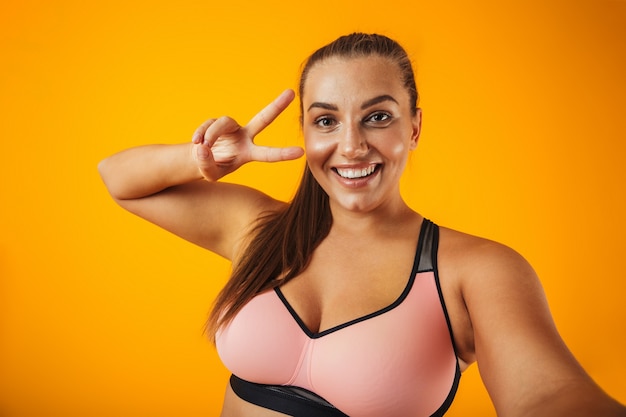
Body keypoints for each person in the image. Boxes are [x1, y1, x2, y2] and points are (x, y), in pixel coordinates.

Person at [98, 33, 625, 417]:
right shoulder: (260, 229)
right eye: (326, 120)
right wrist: (205, 160)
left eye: (377, 116)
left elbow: (547, 394)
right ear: (305, 129)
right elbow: (118, 178)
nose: (350, 146)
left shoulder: (475, 270)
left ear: (414, 127)